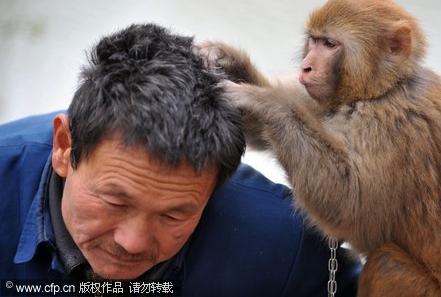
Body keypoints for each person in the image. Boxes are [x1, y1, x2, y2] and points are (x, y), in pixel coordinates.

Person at [0, 23, 360, 296]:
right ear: (65, 146)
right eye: (114, 201)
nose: (133, 243)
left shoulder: (286, 242)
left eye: (174, 214)